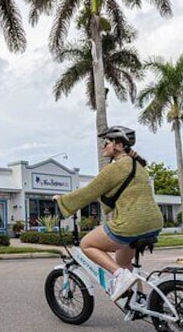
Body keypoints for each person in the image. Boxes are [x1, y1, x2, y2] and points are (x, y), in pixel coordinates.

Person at [52, 126, 163, 303]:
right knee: (123, 261)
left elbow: (90, 192)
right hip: (153, 222)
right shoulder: (138, 166)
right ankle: (139, 299)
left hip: (132, 223)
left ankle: (120, 277)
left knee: (87, 244)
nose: (103, 146)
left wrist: (61, 201)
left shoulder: (116, 167)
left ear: (119, 145)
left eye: (107, 142)